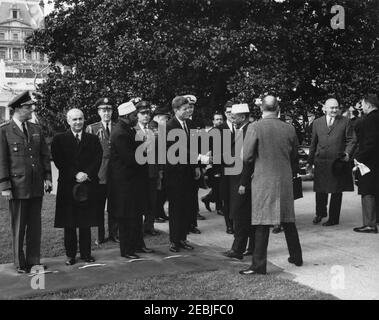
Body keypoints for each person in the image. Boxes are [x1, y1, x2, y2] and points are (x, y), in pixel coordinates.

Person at [239, 95, 303, 275]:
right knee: (288, 219)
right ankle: (296, 257)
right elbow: (294, 156)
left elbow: (247, 157)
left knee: (261, 222)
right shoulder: (289, 128)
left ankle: (258, 266)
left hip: (263, 179)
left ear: (261, 109)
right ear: (278, 107)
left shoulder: (255, 127)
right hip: (284, 178)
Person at [0, 91, 52, 273]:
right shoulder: (5, 130)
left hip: (36, 184)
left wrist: (47, 177)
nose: (31, 109)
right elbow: (2, 160)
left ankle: (33, 260)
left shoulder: (36, 129)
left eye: (31, 106)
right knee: (19, 225)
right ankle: (19, 263)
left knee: (35, 226)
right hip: (17, 186)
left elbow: (44, 155)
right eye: (28, 107)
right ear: (17, 109)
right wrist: (4, 186)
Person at [52, 109, 102, 265]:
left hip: (87, 184)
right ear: (68, 121)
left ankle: (86, 254)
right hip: (68, 185)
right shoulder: (59, 139)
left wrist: (86, 174)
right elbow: (59, 161)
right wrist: (76, 174)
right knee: (70, 223)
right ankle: (71, 255)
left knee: (85, 222)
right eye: (74, 119)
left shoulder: (93, 139)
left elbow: (97, 158)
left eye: (80, 119)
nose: (78, 122)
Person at [108, 100, 153, 259]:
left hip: (132, 181)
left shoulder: (127, 129)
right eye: (134, 114)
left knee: (135, 215)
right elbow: (130, 159)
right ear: (127, 116)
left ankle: (137, 245)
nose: (137, 117)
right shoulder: (120, 133)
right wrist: (147, 155)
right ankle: (126, 249)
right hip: (124, 183)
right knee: (126, 217)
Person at [307, 97, 356, 226]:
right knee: (320, 190)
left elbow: (352, 140)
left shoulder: (345, 122)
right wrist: (310, 161)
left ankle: (334, 218)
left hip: (337, 163)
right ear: (325, 108)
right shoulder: (317, 123)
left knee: (336, 191)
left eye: (336, 107)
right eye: (332, 107)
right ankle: (320, 213)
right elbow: (313, 143)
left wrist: (347, 153)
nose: (334, 110)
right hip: (321, 162)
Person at [165, 96, 201, 253]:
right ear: (176, 110)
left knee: (186, 206)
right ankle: (174, 240)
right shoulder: (169, 126)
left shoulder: (190, 124)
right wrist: (199, 158)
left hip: (188, 172)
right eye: (184, 109)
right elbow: (179, 149)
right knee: (176, 208)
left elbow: (194, 147)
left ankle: (183, 238)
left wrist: (197, 166)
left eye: (189, 108)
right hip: (175, 174)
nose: (188, 111)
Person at [86, 98, 119, 244]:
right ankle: (99, 236)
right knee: (98, 206)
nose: (106, 113)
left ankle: (114, 234)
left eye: (109, 110)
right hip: (99, 174)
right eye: (103, 110)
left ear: (112, 111)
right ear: (99, 112)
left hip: (116, 174)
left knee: (115, 205)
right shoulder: (92, 128)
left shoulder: (118, 127)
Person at [222, 103, 253, 260]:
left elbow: (248, 160)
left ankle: (237, 250)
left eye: (234, 117)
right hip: (237, 178)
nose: (232, 120)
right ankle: (250, 247)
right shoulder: (243, 130)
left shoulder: (248, 131)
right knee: (245, 215)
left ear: (242, 117)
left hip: (241, 180)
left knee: (241, 216)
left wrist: (243, 182)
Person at [353, 94, 379, 233]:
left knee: (367, 191)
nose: (361, 107)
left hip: (369, 162)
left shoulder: (368, 121)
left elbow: (370, 143)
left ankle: (369, 224)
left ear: (368, 105)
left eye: (362, 105)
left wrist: (358, 157)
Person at [134, 100, 160, 236]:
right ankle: (138, 228)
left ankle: (149, 226)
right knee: (139, 202)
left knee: (152, 201)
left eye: (148, 113)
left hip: (152, 171)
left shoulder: (153, 130)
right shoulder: (133, 131)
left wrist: (159, 171)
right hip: (139, 173)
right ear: (137, 115)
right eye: (143, 113)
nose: (146, 116)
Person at [183, 94, 204, 233]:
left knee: (193, 193)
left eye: (192, 107)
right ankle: (185, 224)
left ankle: (192, 222)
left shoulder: (197, 122)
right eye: (188, 107)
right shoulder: (177, 123)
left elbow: (199, 144)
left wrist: (198, 164)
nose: (190, 109)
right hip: (182, 164)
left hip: (194, 162)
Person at [216, 101, 236, 234]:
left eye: (233, 112)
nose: (231, 115)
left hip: (239, 168)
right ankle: (229, 225)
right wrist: (217, 171)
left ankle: (237, 223)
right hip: (225, 168)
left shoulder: (242, 127)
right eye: (229, 112)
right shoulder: (219, 129)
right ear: (225, 113)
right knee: (227, 197)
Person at [150, 106, 170, 223]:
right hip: (156, 164)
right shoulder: (153, 127)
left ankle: (160, 212)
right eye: (164, 118)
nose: (166, 120)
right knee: (158, 191)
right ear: (157, 117)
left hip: (162, 163)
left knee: (163, 190)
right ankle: (156, 214)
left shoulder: (161, 127)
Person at [201, 111, 224, 214]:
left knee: (220, 185)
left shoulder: (225, 131)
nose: (219, 121)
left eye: (221, 119)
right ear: (213, 121)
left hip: (223, 161)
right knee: (217, 185)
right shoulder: (210, 133)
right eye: (217, 119)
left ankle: (208, 198)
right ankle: (219, 207)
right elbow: (206, 150)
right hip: (213, 163)